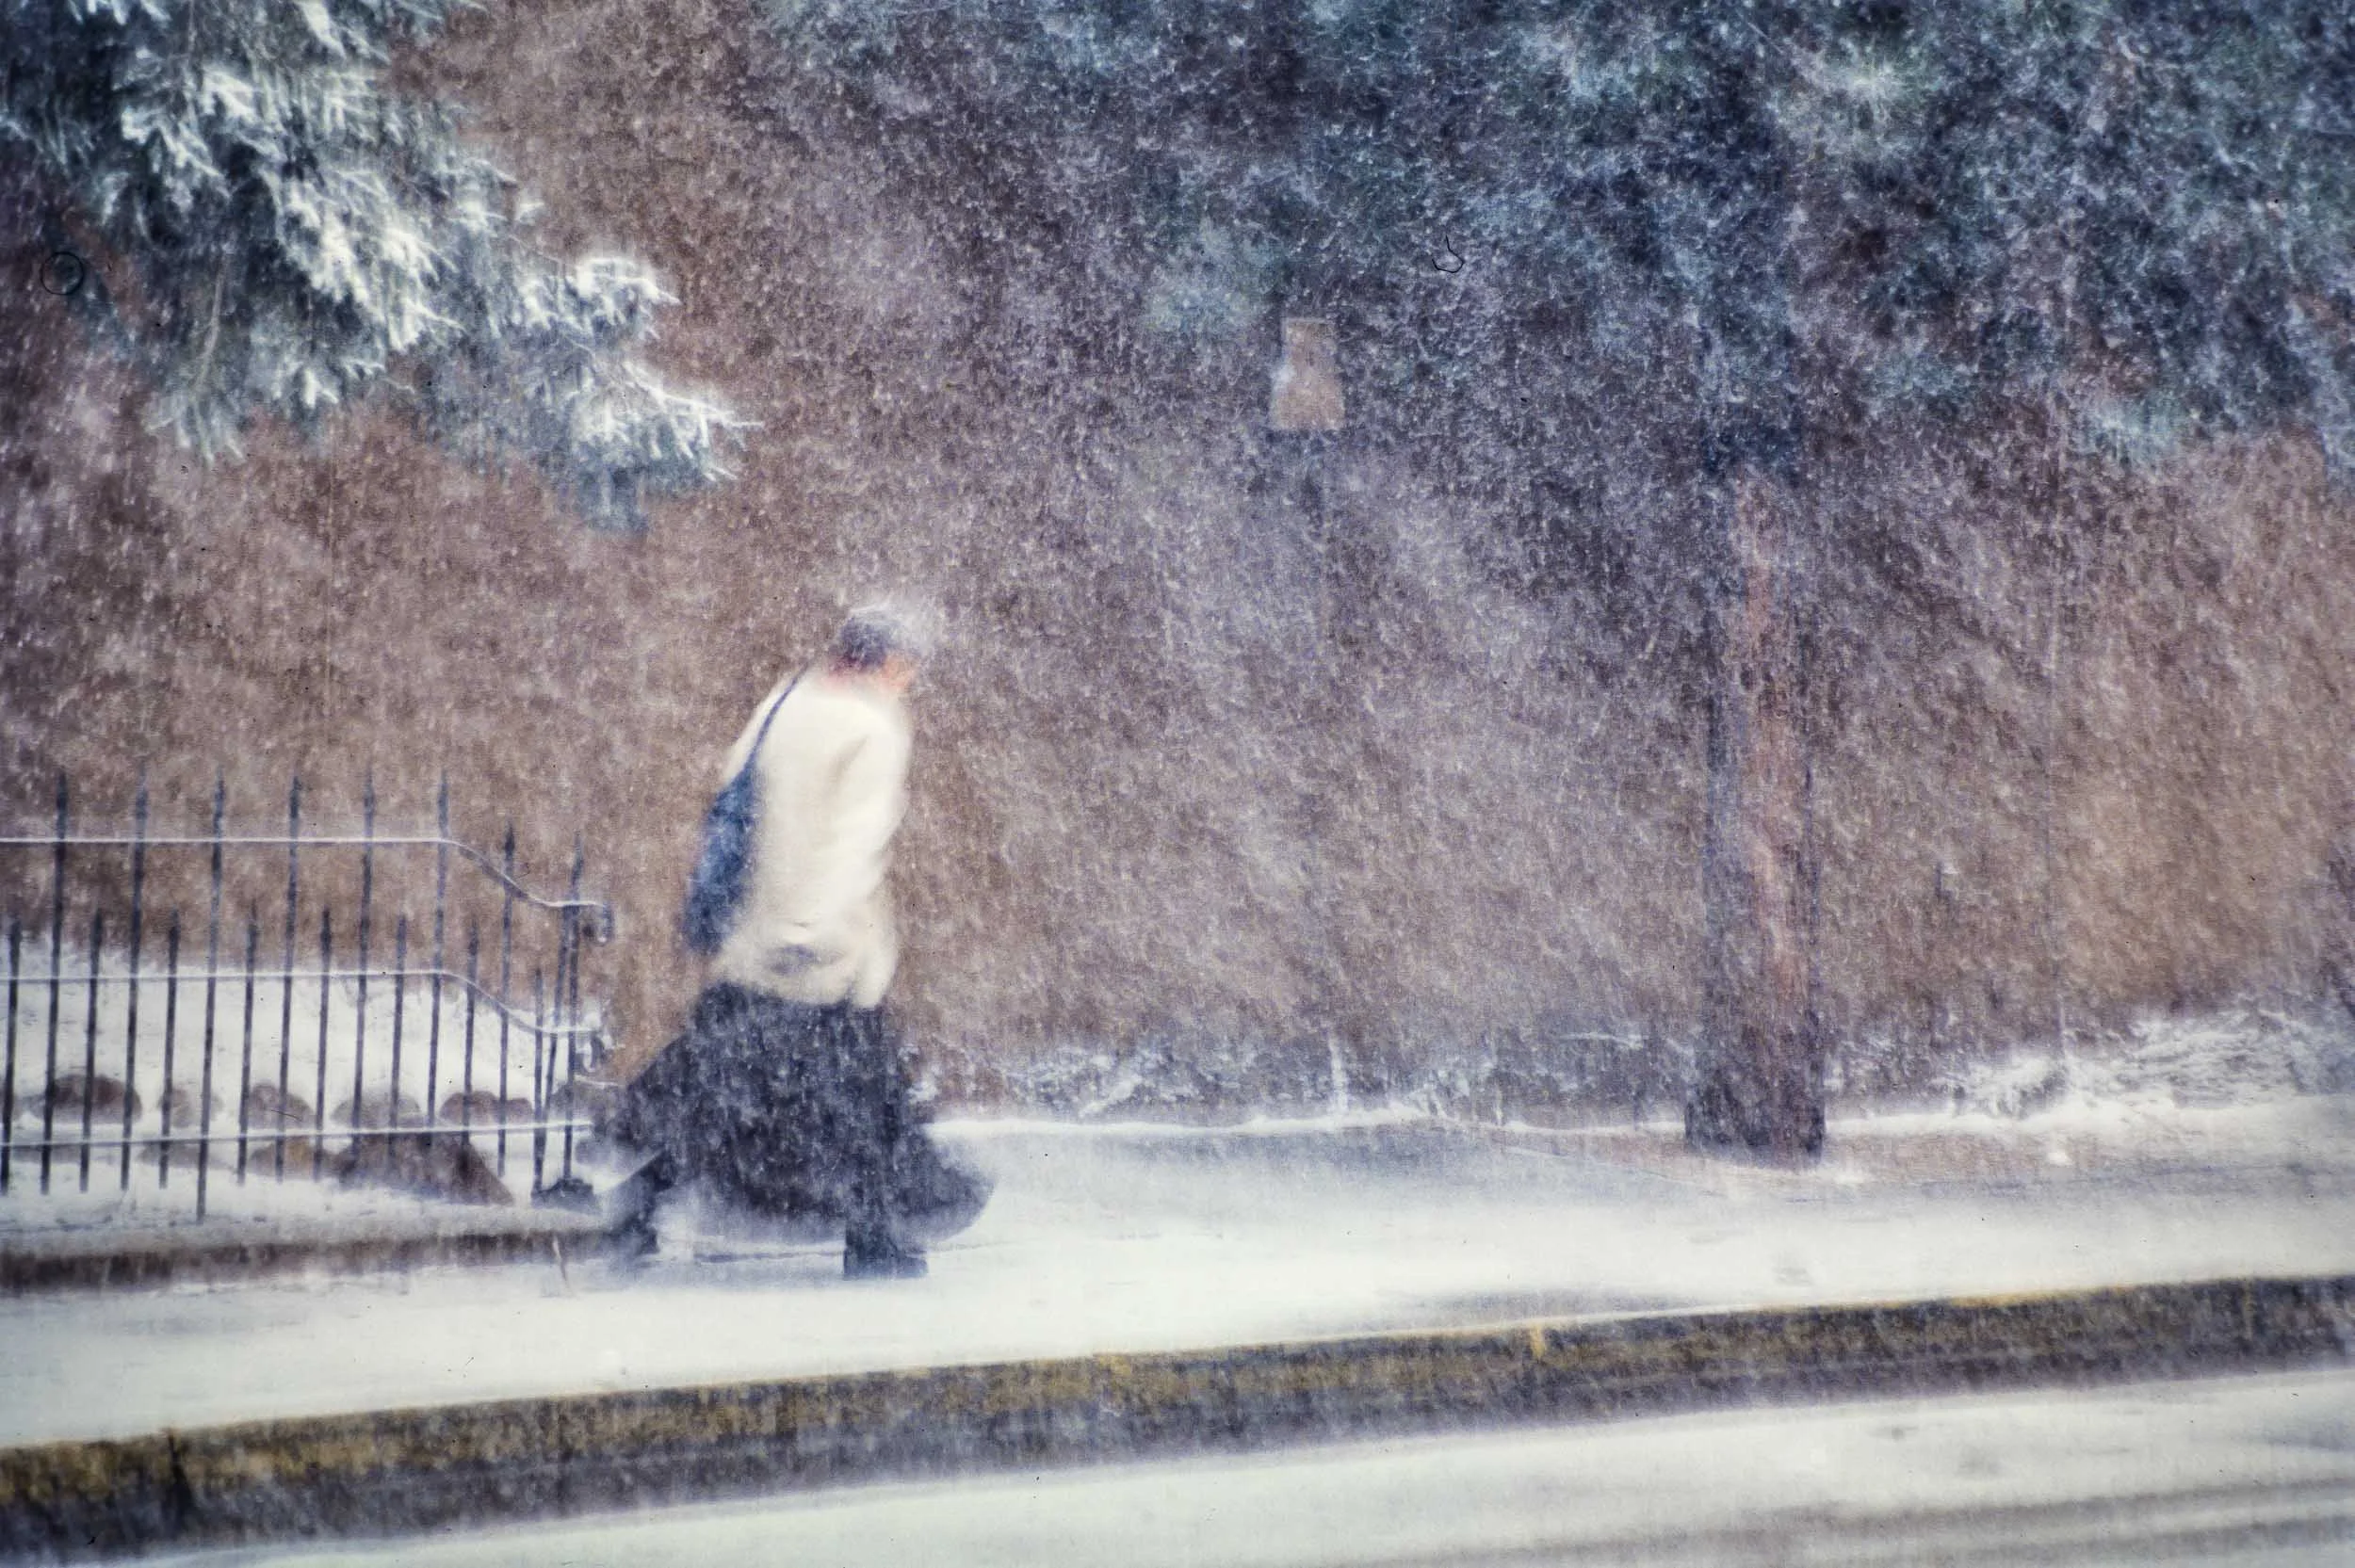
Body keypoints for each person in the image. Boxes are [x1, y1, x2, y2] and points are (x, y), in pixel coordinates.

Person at [605, 605, 987, 1277]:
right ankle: (877, 1240)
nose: (909, 680)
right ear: (890, 661)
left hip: (755, 940)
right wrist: (813, 928)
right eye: (908, 667)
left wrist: (757, 919)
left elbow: (732, 802)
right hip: (822, 953)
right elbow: (854, 840)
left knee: (736, 1092)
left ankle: (644, 1202)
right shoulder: (873, 724)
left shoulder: (786, 700)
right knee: (854, 1104)